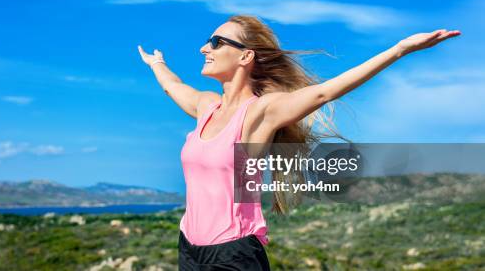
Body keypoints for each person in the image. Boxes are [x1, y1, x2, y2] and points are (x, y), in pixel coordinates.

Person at [138, 15, 460, 270]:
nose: (203, 48)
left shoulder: (261, 112)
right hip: (189, 249)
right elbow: (172, 86)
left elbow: (325, 92)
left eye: (216, 42)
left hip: (233, 255)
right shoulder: (206, 106)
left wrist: (399, 49)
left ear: (245, 56)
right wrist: (157, 64)